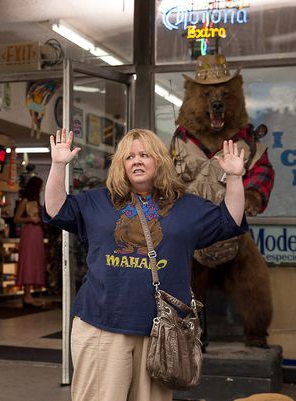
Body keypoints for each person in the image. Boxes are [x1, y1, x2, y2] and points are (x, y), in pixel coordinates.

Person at [44, 127, 247, 401]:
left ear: (159, 160)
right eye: (129, 157)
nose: (136, 161)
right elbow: (55, 209)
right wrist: (58, 166)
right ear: (121, 164)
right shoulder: (96, 201)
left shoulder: (186, 207)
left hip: (161, 331)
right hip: (102, 324)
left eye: (144, 155)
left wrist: (234, 177)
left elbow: (230, 220)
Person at [14, 176, 46, 307]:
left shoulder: (36, 202)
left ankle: (29, 294)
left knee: (35, 262)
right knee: (29, 262)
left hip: (36, 233)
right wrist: (30, 219)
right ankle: (27, 295)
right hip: (30, 232)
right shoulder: (25, 201)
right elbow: (16, 218)